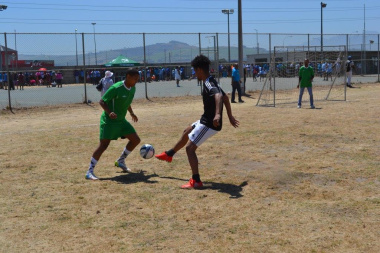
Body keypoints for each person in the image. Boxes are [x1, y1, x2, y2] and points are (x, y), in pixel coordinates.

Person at [155, 55, 240, 189]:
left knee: (190, 149)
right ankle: (169, 154)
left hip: (210, 124)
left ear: (199, 69)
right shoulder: (211, 80)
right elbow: (225, 98)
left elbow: (218, 96)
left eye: (195, 70)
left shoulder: (208, 83)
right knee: (187, 131)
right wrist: (229, 116)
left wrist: (218, 114)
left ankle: (196, 181)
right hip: (204, 119)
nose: (194, 73)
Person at [85, 69, 141, 180]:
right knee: (103, 145)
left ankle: (120, 161)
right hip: (109, 121)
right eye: (135, 78)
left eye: (137, 79)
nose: (136, 81)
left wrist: (132, 113)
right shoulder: (116, 88)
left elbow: (127, 102)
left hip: (121, 120)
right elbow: (102, 101)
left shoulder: (133, 88)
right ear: (128, 76)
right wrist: (109, 112)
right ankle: (89, 171)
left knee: (135, 140)